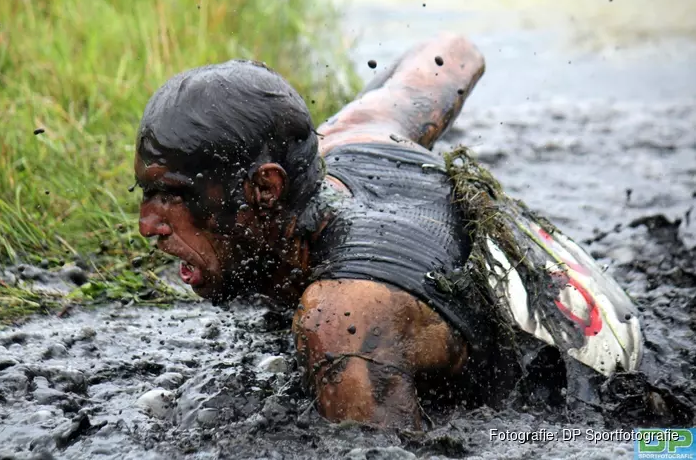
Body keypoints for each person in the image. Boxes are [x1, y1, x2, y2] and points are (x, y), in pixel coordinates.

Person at [134, 33, 642, 430]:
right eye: (145, 195)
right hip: (605, 311)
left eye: (174, 197)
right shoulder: (354, 133)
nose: (147, 226)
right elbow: (455, 55)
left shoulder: (340, 322)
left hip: (611, 416)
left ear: (265, 188)